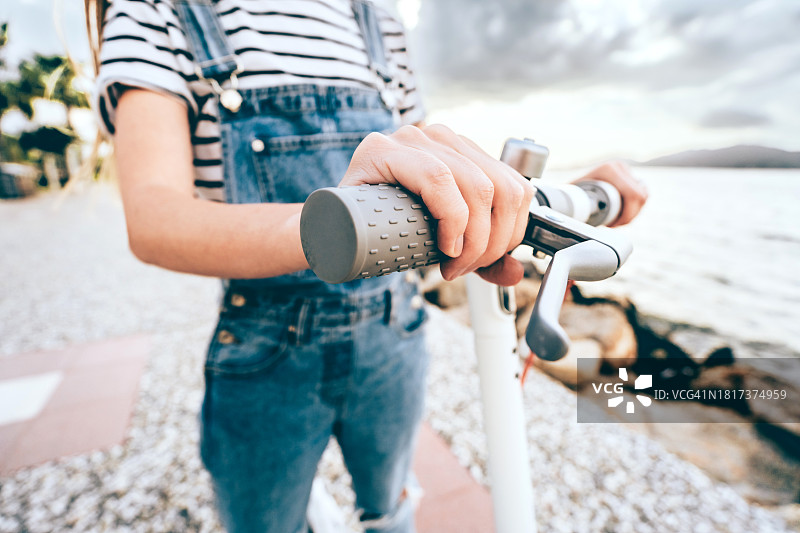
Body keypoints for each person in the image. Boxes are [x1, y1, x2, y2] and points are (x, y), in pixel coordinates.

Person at [85, 0, 647, 531]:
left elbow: (421, 161)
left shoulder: (373, 14)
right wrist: (329, 228)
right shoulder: (157, 10)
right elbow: (154, 218)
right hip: (265, 347)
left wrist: (536, 199)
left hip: (392, 327)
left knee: (392, 507)